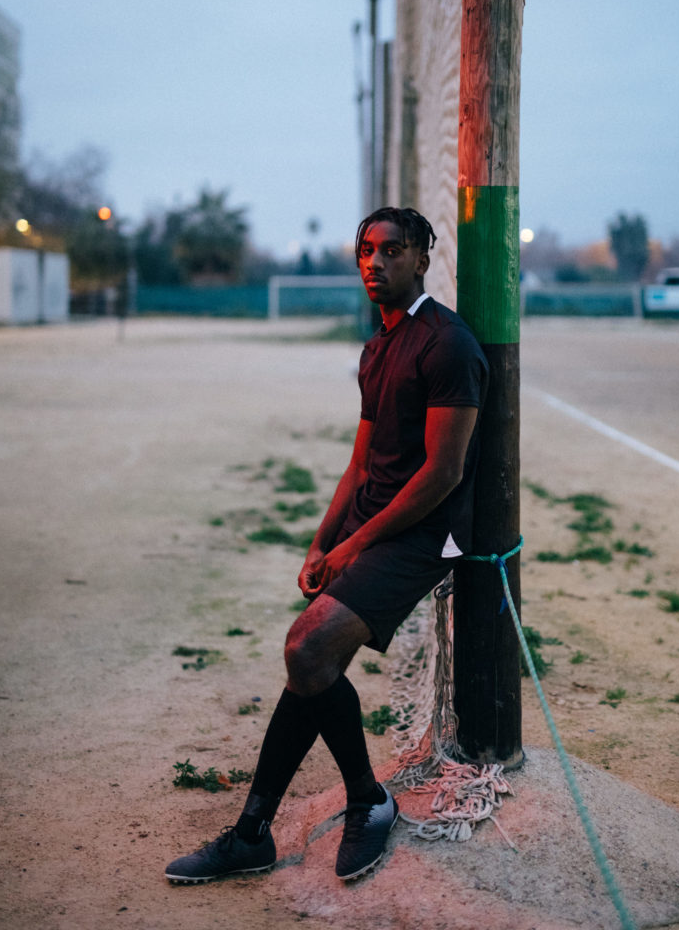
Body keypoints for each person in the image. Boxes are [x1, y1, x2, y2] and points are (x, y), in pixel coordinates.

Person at [165, 206, 488, 884]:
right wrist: (322, 542)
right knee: (308, 660)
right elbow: (360, 463)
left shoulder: (445, 343)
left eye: (391, 250)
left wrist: (356, 544)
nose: (375, 262)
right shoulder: (378, 345)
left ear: (422, 258)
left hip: (425, 534)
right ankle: (253, 833)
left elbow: (442, 473)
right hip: (376, 526)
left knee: (307, 649)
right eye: (365, 251)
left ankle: (368, 802)